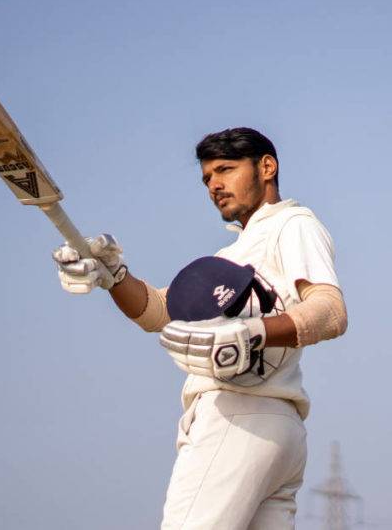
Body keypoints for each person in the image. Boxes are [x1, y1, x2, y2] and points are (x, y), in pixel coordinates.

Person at [51, 127, 348, 529]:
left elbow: (330, 311)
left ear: (267, 167)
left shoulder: (291, 224)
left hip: (238, 415)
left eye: (226, 169)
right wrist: (113, 275)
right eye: (207, 177)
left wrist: (250, 334)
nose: (215, 185)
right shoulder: (232, 254)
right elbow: (158, 311)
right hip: (278, 430)